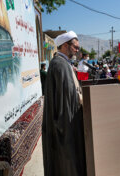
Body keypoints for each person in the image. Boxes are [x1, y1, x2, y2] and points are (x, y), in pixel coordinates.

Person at [42, 31, 86, 176]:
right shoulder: (59, 66)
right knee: (67, 164)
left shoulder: (64, 64)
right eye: (75, 47)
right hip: (65, 127)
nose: (77, 50)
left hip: (70, 123)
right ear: (65, 46)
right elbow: (63, 103)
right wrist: (66, 132)